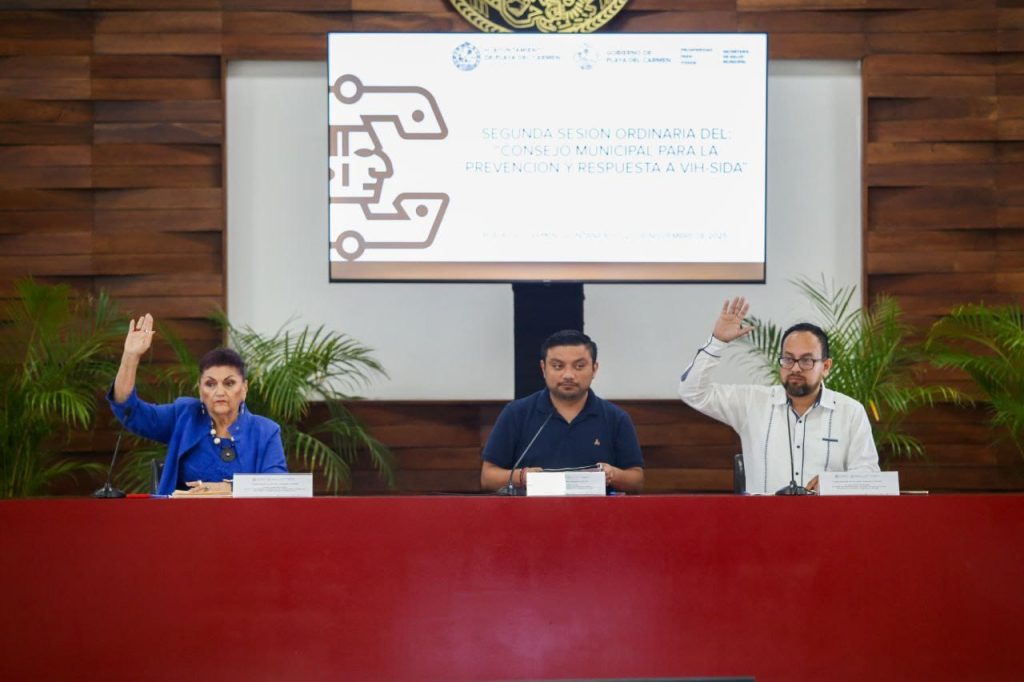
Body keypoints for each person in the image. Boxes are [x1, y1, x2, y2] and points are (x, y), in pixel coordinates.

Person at [678, 297, 880, 494]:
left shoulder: (850, 412)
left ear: (826, 367)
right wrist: (717, 342)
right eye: (788, 359)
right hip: (763, 516)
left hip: (826, 516)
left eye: (806, 361)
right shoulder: (752, 403)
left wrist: (833, 484)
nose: (795, 368)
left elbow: (869, 476)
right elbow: (692, 392)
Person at [108, 313, 287, 496]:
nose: (219, 392)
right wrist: (130, 356)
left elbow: (278, 486)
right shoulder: (183, 416)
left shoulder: (266, 431)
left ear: (244, 388)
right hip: (180, 513)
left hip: (245, 515)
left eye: (229, 383)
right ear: (200, 390)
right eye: (210, 384)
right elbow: (131, 411)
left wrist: (231, 488)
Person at [481, 330, 644, 493]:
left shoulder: (616, 418)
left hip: (596, 509)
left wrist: (612, 474)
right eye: (558, 366)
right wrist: (522, 477)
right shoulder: (516, 413)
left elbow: (637, 480)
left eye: (579, 366)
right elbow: (488, 477)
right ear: (543, 368)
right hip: (532, 509)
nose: (568, 375)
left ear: (594, 369)